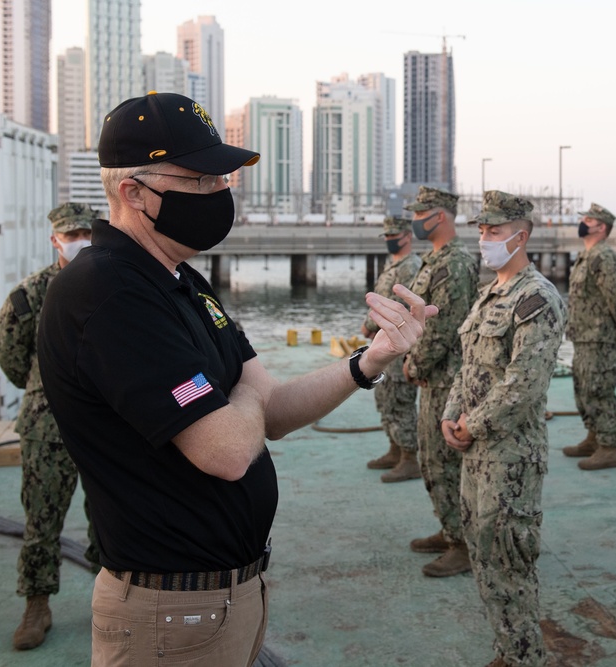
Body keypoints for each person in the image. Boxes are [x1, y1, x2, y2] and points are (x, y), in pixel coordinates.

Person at [36, 92, 434, 666]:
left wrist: (367, 362)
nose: (221, 194)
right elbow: (224, 449)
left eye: (224, 180)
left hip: (222, 597)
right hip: (168, 614)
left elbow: (271, 407)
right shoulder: (110, 292)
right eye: (202, 181)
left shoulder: (180, 281)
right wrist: (245, 397)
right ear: (133, 192)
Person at [442, 191, 566, 667]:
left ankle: (525, 657)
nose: (484, 239)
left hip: (510, 457)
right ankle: (507, 650)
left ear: (522, 235)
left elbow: (524, 384)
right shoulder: (491, 292)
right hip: (475, 452)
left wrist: (472, 423)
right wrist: (452, 413)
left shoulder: (536, 299)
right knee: (485, 558)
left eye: (494, 231)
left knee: (510, 563)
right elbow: (469, 364)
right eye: (482, 230)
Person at [0, 202, 102, 651]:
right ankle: (36, 606)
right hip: (48, 424)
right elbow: (11, 354)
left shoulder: (110, 285)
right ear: (54, 239)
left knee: (110, 518)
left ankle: (109, 600)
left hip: (102, 421)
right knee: (41, 520)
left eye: (84, 233)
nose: (77, 241)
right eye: (69, 235)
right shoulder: (31, 293)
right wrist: (41, 388)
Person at [403, 185, 479, 577]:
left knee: (444, 461)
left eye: (422, 213)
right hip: (436, 377)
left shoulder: (455, 263)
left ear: (441, 216)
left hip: (448, 378)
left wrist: (416, 363)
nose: (416, 220)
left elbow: (445, 326)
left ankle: (463, 543)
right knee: (432, 458)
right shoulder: (435, 260)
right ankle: (450, 528)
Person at [562, 202, 616, 470]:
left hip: (599, 336)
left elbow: (615, 297)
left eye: (588, 219)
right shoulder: (587, 255)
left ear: (601, 227)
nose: (583, 222)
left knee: (599, 389)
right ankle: (594, 437)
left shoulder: (603, 256)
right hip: (584, 335)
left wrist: (615, 327)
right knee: (584, 388)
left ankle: (609, 447)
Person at [362, 215, 424, 482]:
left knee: (400, 400)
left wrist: (370, 325)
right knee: (385, 397)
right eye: (386, 237)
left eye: (393, 236)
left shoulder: (411, 266)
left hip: (399, 345)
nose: (389, 241)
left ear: (407, 236)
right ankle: (395, 448)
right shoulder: (394, 264)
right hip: (385, 342)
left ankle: (410, 457)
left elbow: (399, 304)